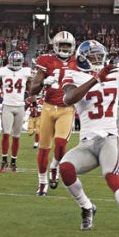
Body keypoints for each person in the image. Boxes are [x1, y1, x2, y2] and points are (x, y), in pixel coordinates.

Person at [59, 35, 119, 236]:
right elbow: (69, 98)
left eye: (99, 56)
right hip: (87, 143)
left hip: (109, 139)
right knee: (66, 169)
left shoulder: (115, 72)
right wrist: (96, 78)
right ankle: (87, 207)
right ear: (82, 59)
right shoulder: (72, 74)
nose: (97, 61)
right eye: (93, 57)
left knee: (111, 176)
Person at [28, 31, 78, 195]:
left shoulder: (79, 62)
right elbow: (32, 89)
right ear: (55, 46)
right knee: (43, 149)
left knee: (61, 143)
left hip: (66, 108)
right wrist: (43, 82)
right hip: (48, 108)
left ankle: (54, 166)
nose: (64, 48)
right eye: (61, 45)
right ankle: (42, 183)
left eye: (67, 45)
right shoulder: (45, 60)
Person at [0, 51, 32, 173]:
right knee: (6, 134)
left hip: (20, 106)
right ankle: (3, 161)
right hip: (7, 105)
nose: (16, 64)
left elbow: (31, 89)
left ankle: (13, 162)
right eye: (14, 61)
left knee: (16, 137)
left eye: (18, 61)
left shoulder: (26, 72)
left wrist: (33, 101)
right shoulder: (3, 71)